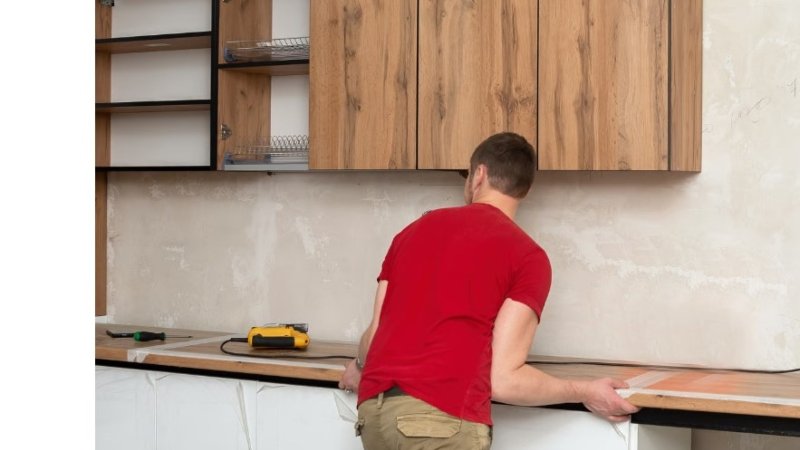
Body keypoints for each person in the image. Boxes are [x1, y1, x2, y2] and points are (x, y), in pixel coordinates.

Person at [339, 132, 638, 449]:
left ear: (478, 175)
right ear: (527, 189)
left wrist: (358, 368)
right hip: (441, 422)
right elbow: (504, 380)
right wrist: (584, 391)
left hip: (375, 416)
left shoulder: (410, 233)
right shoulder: (527, 256)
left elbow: (374, 335)